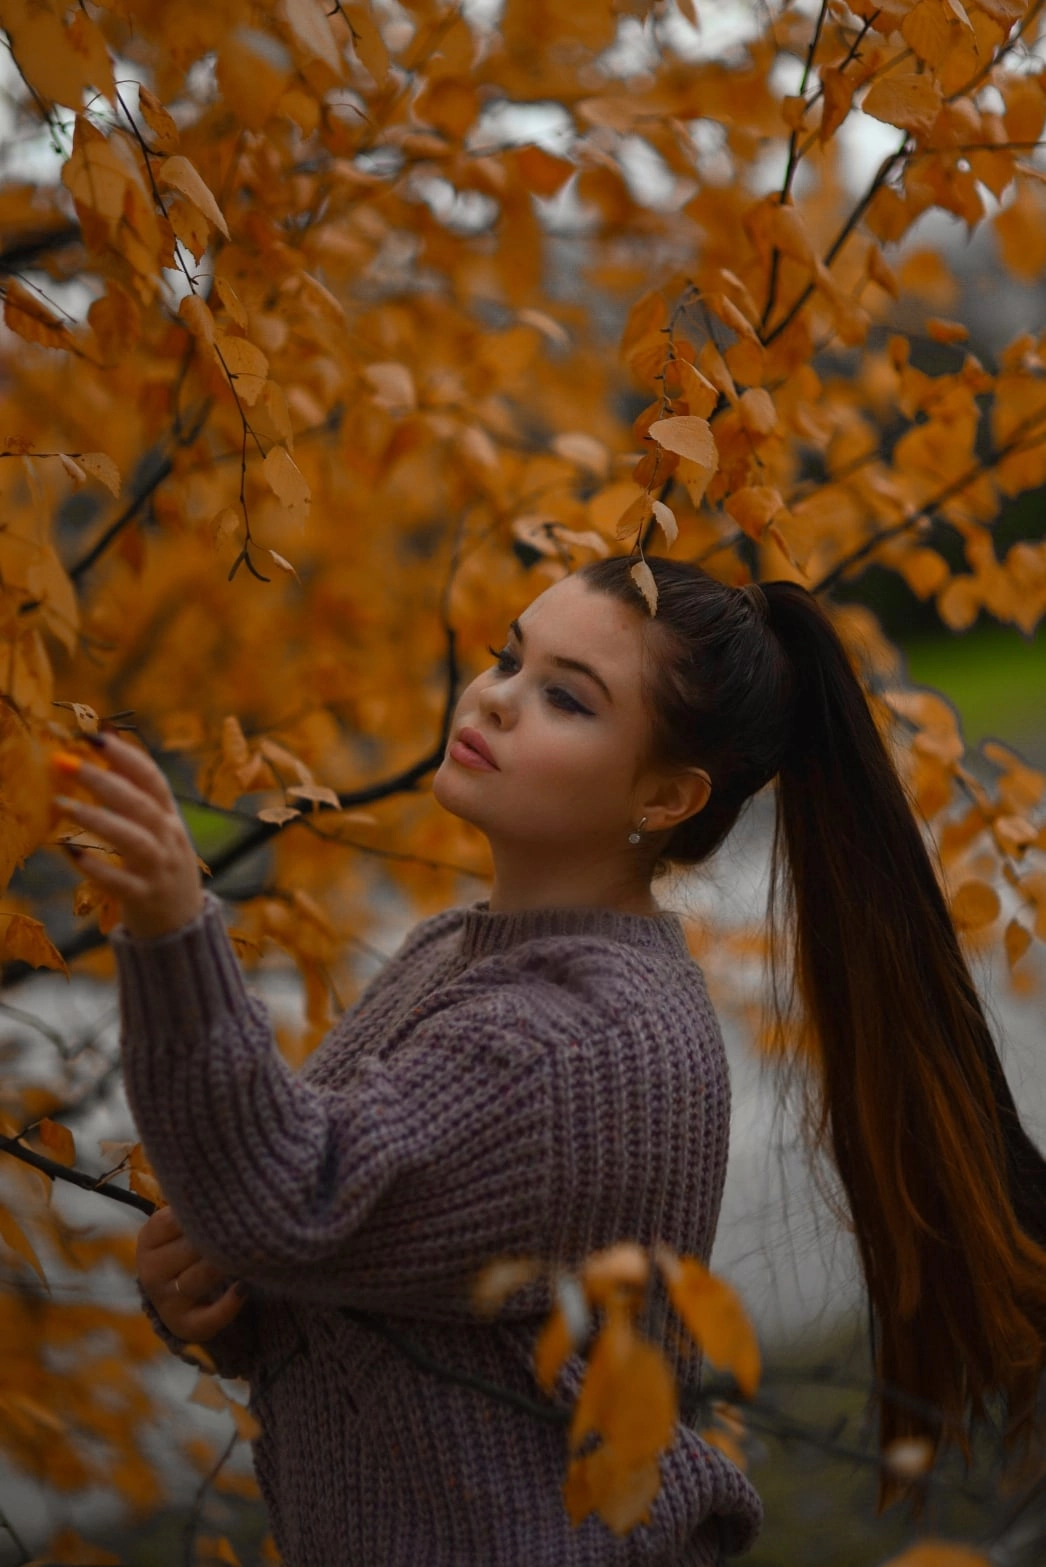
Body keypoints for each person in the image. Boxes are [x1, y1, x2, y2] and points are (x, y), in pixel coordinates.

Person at [57, 553, 1046, 1565]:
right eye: (506, 658)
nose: (494, 699)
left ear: (664, 796)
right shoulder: (455, 951)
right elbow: (339, 1241)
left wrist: (172, 927)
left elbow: (287, 1194)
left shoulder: (575, 1039)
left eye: (565, 698)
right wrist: (226, 1305)